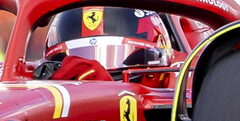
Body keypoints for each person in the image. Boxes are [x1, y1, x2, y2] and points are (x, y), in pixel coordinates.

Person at [40, 6, 173, 80]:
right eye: (78, 57)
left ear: (156, 56)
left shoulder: (178, 82)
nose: (93, 76)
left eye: (115, 54)